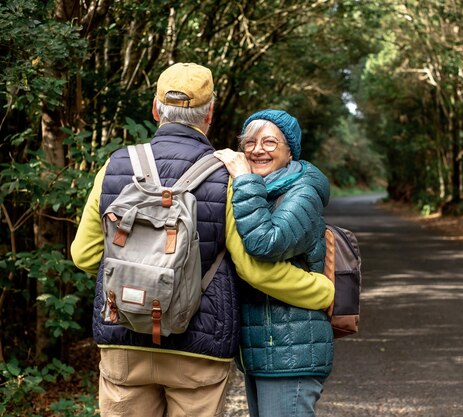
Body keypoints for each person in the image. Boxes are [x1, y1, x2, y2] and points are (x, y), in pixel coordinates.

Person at [70, 63, 334, 417]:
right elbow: (256, 271)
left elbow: (85, 256)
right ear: (209, 114)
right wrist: (324, 291)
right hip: (197, 346)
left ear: (154, 109)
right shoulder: (225, 175)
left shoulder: (115, 166)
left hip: (123, 338)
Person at [214, 109, 334, 417]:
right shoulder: (261, 190)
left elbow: (266, 243)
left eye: (269, 142)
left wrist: (242, 180)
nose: (257, 149)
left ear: (289, 150)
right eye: (250, 142)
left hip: (291, 349)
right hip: (264, 348)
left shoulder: (303, 191)